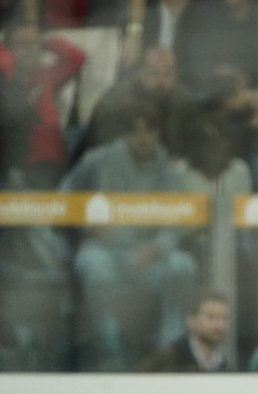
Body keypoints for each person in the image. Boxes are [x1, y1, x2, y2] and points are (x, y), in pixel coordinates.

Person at [61, 99, 197, 371]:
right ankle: (108, 343)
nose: (143, 137)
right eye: (136, 130)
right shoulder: (97, 161)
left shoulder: (167, 168)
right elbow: (63, 200)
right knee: (94, 266)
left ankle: (168, 345)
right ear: (125, 133)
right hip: (104, 250)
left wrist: (156, 248)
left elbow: (180, 218)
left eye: (150, 131)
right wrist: (87, 222)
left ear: (158, 134)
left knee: (183, 265)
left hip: (146, 257)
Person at [0, 21, 85, 189]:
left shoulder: (46, 76)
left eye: (34, 43)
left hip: (52, 160)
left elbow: (77, 58)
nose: (30, 49)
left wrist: (47, 42)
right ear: (8, 49)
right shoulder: (4, 78)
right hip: (15, 161)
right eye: (23, 44)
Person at [81, 46, 194, 159]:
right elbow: (107, 151)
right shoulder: (116, 101)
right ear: (140, 72)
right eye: (154, 73)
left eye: (168, 73)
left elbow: (193, 144)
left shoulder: (183, 100)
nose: (161, 80)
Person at [140, 290, 232, 372]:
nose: (220, 324)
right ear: (190, 320)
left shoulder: (225, 367)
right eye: (211, 317)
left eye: (224, 318)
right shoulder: (166, 362)